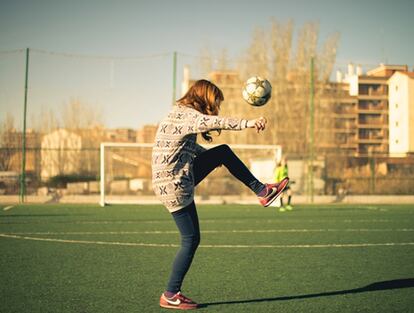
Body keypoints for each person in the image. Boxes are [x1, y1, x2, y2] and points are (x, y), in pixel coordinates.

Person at [152, 79, 289, 310]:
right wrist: (249, 122)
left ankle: (171, 293)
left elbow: (182, 147)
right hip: (176, 181)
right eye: (214, 101)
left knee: (191, 238)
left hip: (166, 183)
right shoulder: (188, 114)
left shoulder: (175, 114)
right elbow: (217, 122)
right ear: (203, 97)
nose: (215, 106)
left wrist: (212, 157)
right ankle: (262, 191)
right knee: (224, 152)